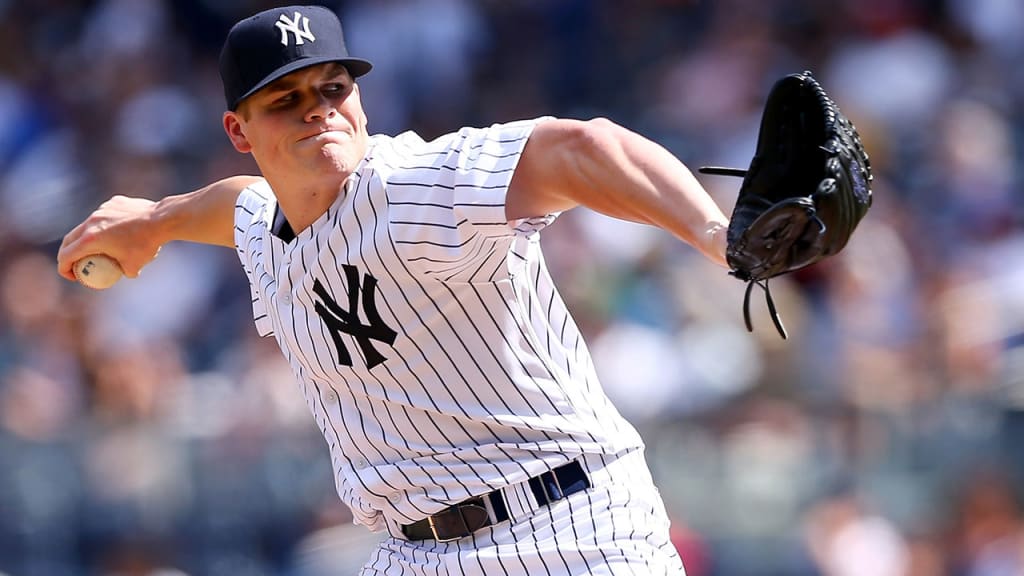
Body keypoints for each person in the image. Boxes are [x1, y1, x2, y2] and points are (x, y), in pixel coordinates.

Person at [58, 5, 729, 575]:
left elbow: (582, 147)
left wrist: (716, 234)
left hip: (568, 527)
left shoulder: (416, 185)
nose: (318, 112)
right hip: (412, 552)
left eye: (332, 89)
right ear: (239, 130)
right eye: (286, 101)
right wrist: (152, 221)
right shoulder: (264, 226)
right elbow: (232, 203)